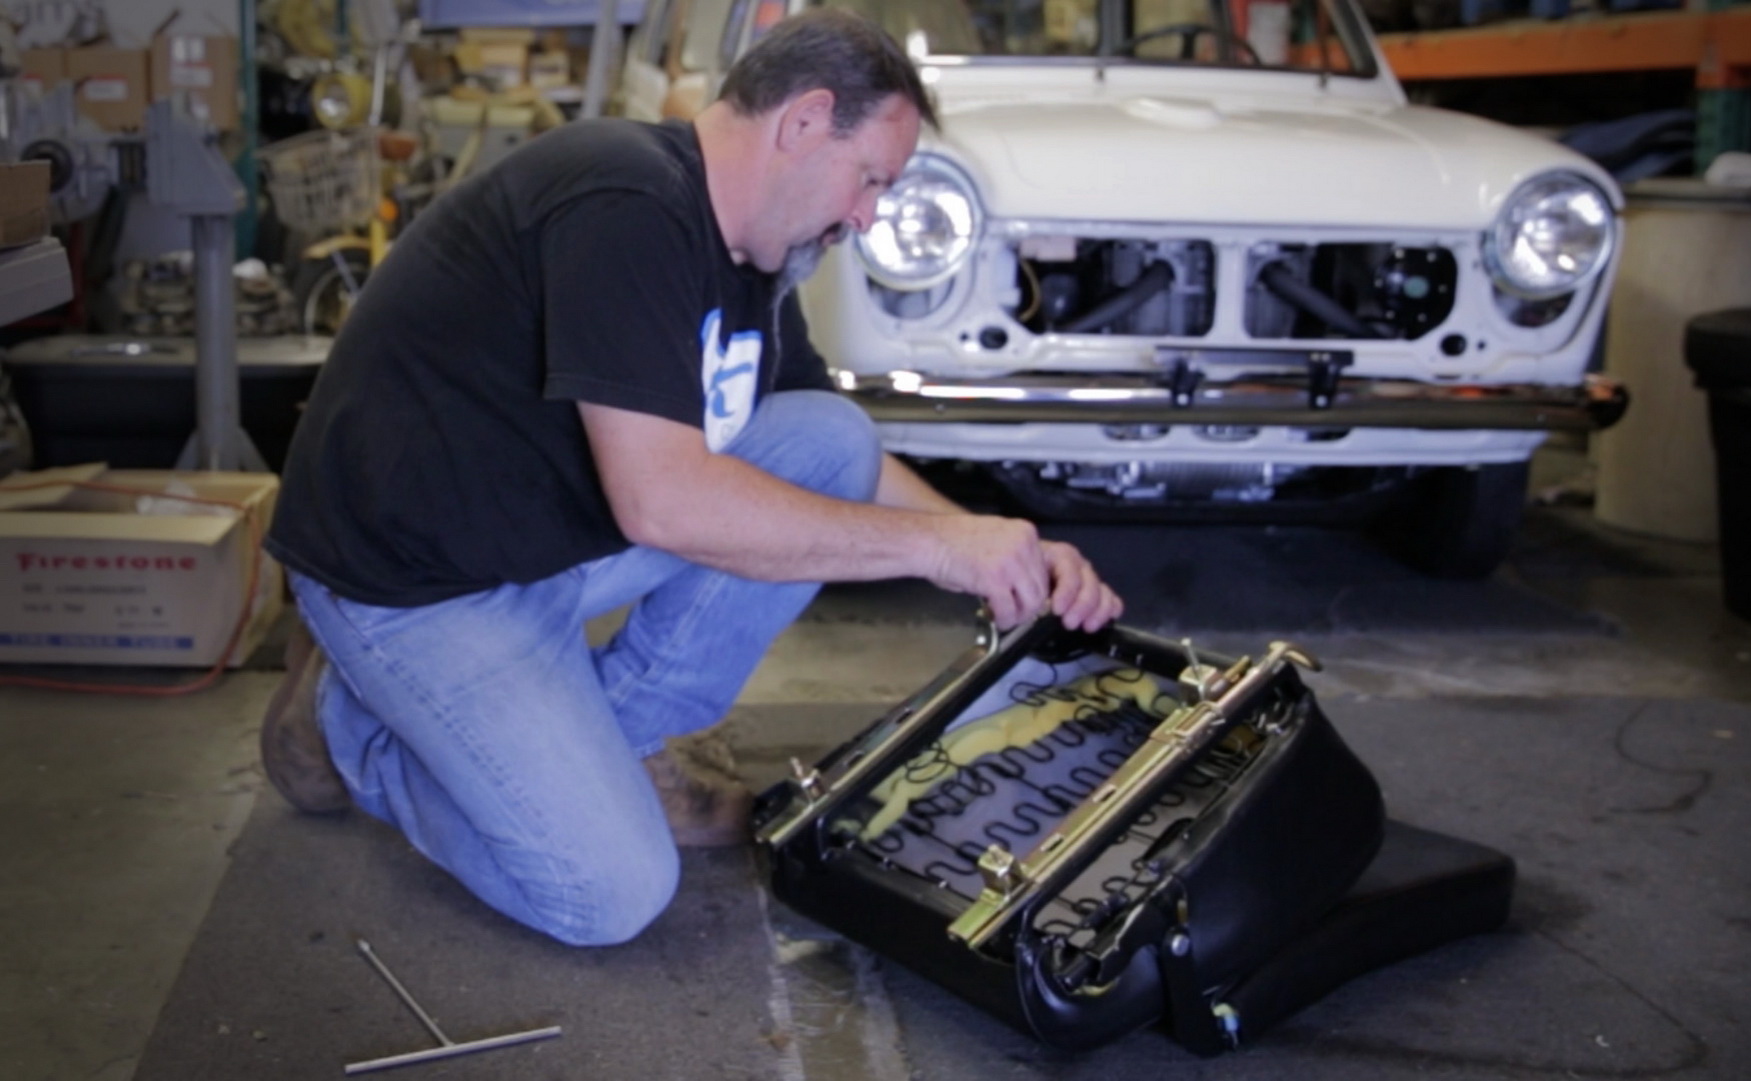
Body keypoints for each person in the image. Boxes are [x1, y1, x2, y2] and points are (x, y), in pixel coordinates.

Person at [258, 9, 1122, 948]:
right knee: (608, 894)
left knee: (832, 438)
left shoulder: (753, 257)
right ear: (804, 121)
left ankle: (620, 739)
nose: (868, 213)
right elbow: (662, 502)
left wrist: (1002, 553)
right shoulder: (623, 200)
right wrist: (939, 550)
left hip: (541, 545)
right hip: (414, 587)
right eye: (871, 178)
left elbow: (848, 469)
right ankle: (354, 725)